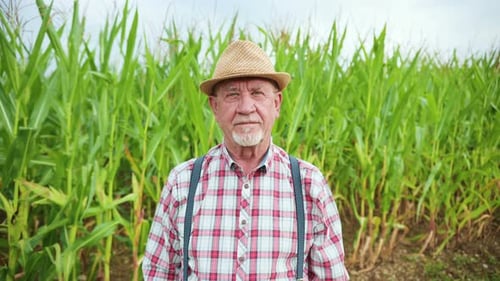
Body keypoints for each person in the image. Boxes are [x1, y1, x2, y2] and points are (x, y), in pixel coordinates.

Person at [142, 40, 349, 280]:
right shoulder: (182, 182)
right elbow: (158, 273)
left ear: (277, 103)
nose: (245, 107)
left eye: (257, 93)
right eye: (233, 95)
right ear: (215, 107)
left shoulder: (309, 184)